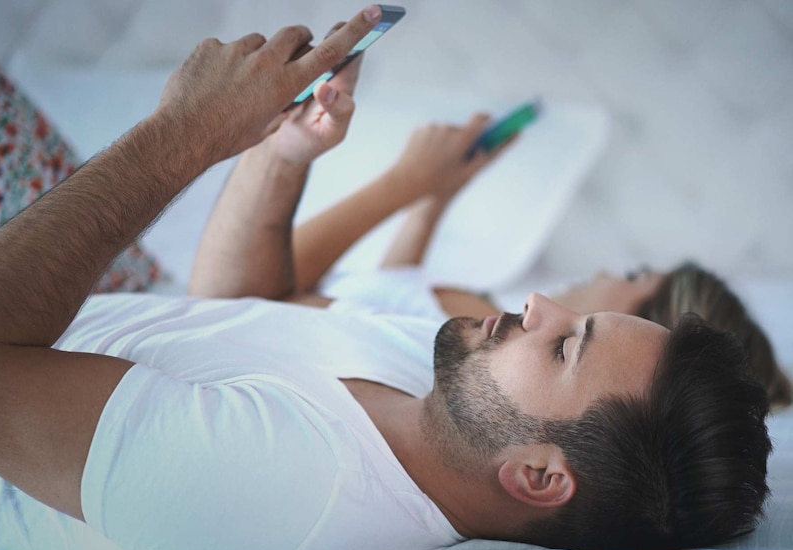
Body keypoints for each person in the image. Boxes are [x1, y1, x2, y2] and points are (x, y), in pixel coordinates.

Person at [0, 7, 772, 550]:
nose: (539, 305)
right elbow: (234, 306)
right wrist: (279, 155)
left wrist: (187, 133)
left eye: (564, 345)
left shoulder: (291, 493)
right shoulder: (445, 387)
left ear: (540, 476)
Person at [266, 120, 791, 409]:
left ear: (646, 330)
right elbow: (387, 287)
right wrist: (435, 198)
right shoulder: (475, 317)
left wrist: (404, 182)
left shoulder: (466, 338)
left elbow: (262, 288)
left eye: (632, 279)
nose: (609, 271)